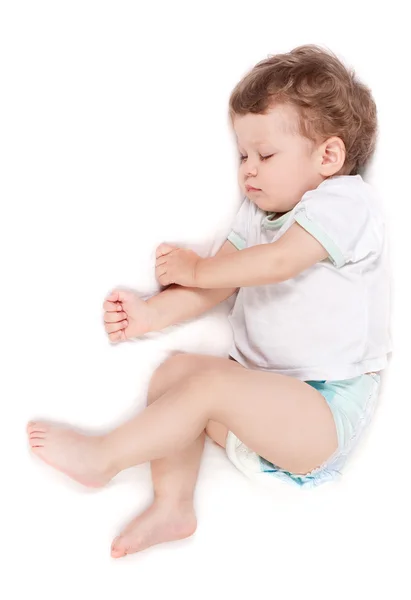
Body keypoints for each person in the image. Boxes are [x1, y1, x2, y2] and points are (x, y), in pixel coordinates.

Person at [27, 44, 392, 558]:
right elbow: (220, 285)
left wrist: (196, 266)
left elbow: (277, 263)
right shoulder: (254, 214)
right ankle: (173, 505)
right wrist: (150, 314)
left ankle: (105, 458)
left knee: (212, 385)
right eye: (244, 155)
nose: (249, 170)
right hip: (255, 411)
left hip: (321, 413)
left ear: (328, 157)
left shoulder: (345, 202)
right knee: (174, 374)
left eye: (266, 156)